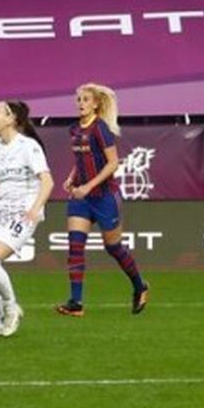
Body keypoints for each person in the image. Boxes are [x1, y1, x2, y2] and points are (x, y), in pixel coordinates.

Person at [56, 83, 149, 317]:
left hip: (105, 197)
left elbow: (112, 163)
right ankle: (76, 303)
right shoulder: (74, 129)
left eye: (86, 99)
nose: (81, 103)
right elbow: (81, 162)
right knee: (75, 247)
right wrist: (71, 179)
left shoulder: (100, 129)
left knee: (113, 247)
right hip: (81, 199)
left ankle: (140, 285)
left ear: (96, 103)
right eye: (78, 99)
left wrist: (87, 186)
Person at [0, 100, 53, 337]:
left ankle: (11, 307)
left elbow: (48, 181)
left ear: (11, 119)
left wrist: (34, 209)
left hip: (22, 215)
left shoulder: (29, 147)